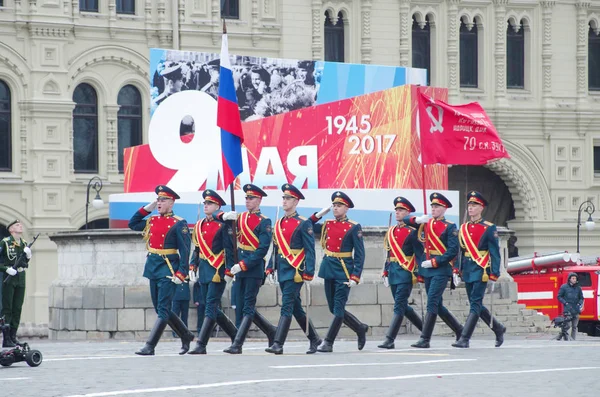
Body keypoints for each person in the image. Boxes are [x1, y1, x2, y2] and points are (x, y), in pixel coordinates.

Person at [128, 185, 195, 356]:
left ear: (171, 203)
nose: (159, 202)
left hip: (168, 268)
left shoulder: (179, 223)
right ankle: (186, 335)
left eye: (163, 200)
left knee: (164, 309)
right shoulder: (153, 221)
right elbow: (133, 224)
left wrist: (182, 272)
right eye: (158, 199)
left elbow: (185, 250)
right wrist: (146, 209)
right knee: (160, 309)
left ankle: (150, 345)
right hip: (153, 266)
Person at [219, 184, 277, 354]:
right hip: (239, 268)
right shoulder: (240, 217)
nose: (247, 201)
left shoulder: (264, 221)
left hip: (252, 269)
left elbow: (262, 250)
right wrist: (223, 215)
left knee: (248, 306)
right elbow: (229, 238)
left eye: (251, 198)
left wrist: (243, 265)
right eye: (246, 198)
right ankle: (270, 330)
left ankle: (237, 344)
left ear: (259, 200)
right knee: (242, 304)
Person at [264, 184, 321, 355]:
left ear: (296, 201)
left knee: (286, 305)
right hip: (283, 269)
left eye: (288, 198)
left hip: (296, 270)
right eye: (283, 198)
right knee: (296, 307)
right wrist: (270, 267)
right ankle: (314, 339)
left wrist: (309, 271)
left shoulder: (303, 223)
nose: (285, 201)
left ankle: (278, 343)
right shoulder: (279, 222)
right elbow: (276, 248)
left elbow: (310, 250)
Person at [310, 191, 368, 353]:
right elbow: (306, 226)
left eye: (339, 205)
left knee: (338, 307)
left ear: (346, 208)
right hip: (329, 268)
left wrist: (355, 275)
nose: (335, 208)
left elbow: (360, 253)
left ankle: (328, 342)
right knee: (333, 308)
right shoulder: (327, 224)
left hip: (344, 269)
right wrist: (317, 215)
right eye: (334, 205)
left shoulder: (353, 227)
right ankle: (359, 327)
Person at [405, 192, 463, 348]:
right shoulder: (426, 223)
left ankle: (425, 339)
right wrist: (416, 220)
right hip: (428, 270)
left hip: (441, 269)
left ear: (444, 209)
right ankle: (460, 330)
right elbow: (404, 220)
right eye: (432, 206)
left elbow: (452, 250)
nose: (433, 209)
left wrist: (435, 261)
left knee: (431, 303)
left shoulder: (450, 226)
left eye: (437, 206)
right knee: (438, 305)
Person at [452, 191, 506, 348]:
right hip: (468, 269)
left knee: (475, 304)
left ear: (481, 208)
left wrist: (495, 272)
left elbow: (495, 253)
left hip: (481, 269)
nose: (470, 208)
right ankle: (498, 328)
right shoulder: (463, 228)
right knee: (476, 304)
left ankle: (464, 338)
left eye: (474, 205)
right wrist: (456, 270)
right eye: (469, 205)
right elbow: (459, 252)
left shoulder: (489, 228)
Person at [188, 190, 237, 354]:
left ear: (217, 206)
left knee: (210, 307)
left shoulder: (223, 225)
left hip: (218, 270)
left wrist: (229, 271)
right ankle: (236, 335)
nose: (206, 206)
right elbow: (196, 248)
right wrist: (192, 264)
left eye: (209, 204)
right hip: (204, 269)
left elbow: (229, 249)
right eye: (205, 203)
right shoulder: (199, 224)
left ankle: (201, 344)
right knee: (211, 307)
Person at [378, 197, 424, 349]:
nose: (398, 212)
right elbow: (389, 253)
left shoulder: (413, 232)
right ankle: (425, 330)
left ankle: (389, 339)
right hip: (393, 272)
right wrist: (385, 271)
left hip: (406, 272)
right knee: (403, 306)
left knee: (398, 306)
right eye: (397, 210)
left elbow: (419, 254)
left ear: (408, 213)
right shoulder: (391, 231)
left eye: (401, 210)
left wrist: (420, 273)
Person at [0, 220, 32, 347]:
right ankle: (6, 339)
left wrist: (28, 256)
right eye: (17, 225)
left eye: (20, 225)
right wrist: (6, 269)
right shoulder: (5, 243)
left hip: (20, 277)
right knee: (7, 309)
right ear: (11, 229)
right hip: (9, 277)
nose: (20, 226)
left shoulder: (24, 243)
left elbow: (25, 262)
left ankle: (13, 336)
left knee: (17, 308)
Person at [557, 272, 584, 341]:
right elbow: (559, 296)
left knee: (574, 326)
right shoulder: (564, 287)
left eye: (575, 278)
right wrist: (565, 303)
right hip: (568, 309)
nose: (574, 280)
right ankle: (561, 334)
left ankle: (572, 340)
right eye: (573, 278)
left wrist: (579, 304)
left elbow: (581, 298)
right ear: (569, 279)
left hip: (576, 309)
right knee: (568, 325)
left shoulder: (578, 288)